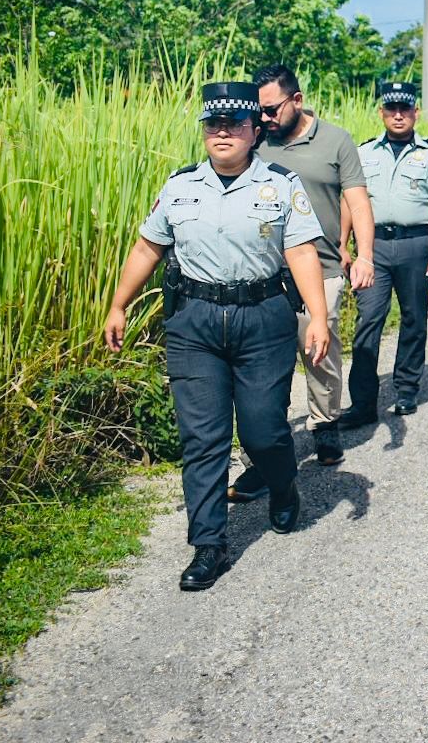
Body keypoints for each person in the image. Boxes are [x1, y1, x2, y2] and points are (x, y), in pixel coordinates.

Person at [103, 82, 331, 591]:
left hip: (263, 319)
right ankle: (209, 545)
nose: (222, 132)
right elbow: (148, 248)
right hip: (193, 322)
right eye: (213, 125)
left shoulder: (280, 183)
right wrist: (118, 304)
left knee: (262, 430)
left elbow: (300, 253)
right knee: (203, 438)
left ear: (255, 131)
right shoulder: (181, 185)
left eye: (234, 124)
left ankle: (282, 483)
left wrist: (316, 315)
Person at [225, 64, 373, 484]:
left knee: (318, 349)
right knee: (264, 363)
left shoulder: (335, 140)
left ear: (297, 100)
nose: (265, 119)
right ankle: (264, 449)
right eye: (259, 112)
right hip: (264, 274)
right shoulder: (253, 140)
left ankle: (325, 423)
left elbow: (358, 202)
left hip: (322, 266)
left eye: (271, 110)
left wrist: (365, 256)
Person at [341, 82, 428, 423]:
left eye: (405, 109)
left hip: (416, 245)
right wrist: (341, 243)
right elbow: (350, 201)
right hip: (371, 247)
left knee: (413, 317)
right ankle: (362, 403)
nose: (398, 115)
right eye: (391, 109)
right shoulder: (363, 154)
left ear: (415, 113)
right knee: (369, 320)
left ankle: (406, 388)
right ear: (382, 113)